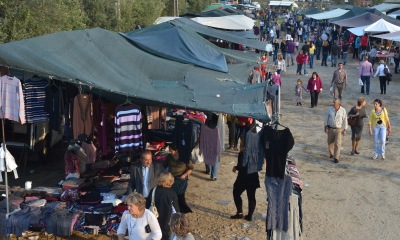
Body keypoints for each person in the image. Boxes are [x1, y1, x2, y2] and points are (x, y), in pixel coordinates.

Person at [146, 172, 180, 240]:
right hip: (166, 221)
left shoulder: (153, 190)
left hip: (153, 219)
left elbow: (147, 205)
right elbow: (175, 209)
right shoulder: (171, 193)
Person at [163, 143, 194, 213]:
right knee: (173, 194)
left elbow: (191, 168)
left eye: (171, 150)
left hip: (181, 179)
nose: (170, 152)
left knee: (180, 195)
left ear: (176, 150)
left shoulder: (184, 157)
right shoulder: (169, 157)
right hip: (172, 179)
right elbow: (165, 165)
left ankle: (182, 209)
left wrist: (185, 175)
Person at [230, 151, 260, 221]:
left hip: (243, 178)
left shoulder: (242, 153)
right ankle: (250, 216)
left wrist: (235, 167)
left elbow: (241, 166)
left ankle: (240, 213)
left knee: (236, 193)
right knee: (251, 197)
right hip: (253, 177)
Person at [324, 98, 348, 163]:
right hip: (331, 128)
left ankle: (336, 157)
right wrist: (326, 126)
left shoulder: (343, 110)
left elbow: (345, 120)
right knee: (330, 142)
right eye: (333, 102)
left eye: (334, 102)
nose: (333, 103)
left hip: (338, 129)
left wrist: (345, 129)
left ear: (338, 103)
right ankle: (332, 154)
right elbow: (326, 118)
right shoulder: (330, 109)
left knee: (338, 143)